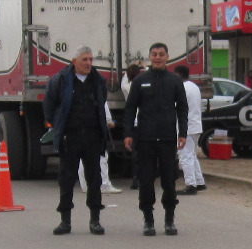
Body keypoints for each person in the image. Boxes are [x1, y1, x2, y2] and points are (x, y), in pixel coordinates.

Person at [123, 43, 188, 236]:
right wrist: (128, 133)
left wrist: (182, 133)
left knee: (169, 181)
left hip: (168, 139)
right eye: (154, 54)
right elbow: (130, 109)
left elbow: (182, 108)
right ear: (149, 57)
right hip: (145, 139)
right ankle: (148, 220)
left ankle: (169, 220)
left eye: (161, 54)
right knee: (146, 181)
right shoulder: (140, 80)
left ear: (168, 57)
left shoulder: (174, 81)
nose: (158, 57)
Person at [43, 46, 110, 235]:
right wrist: (57, 125)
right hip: (69, 137)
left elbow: (102, 101)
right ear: (74, 61)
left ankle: (95, 220)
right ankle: (65, 221)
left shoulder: (98, 80)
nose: (89, 63)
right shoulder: (61, 80)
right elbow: (49, 104)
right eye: (84, 59)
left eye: (90, 59)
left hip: (92, 136)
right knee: (66, 179)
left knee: (94, 178)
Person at [173, 65, 206, 195]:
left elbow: (175, 106)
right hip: (196, 125)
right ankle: (199, 182)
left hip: (186, 126)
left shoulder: (181, 88)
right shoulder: (194, 87)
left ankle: (191, 185)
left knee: (185, 156)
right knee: (192, 155)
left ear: (178, 75)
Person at [78, 101, 118, 194]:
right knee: (102, 156)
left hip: (80, 126)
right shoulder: (97, 89)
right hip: (94, 128)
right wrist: (109, 121)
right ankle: (104, 184)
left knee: (82, 156)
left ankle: (84, 185)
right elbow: (103, 106)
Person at [121, 60, 145, 192]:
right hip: (145, 121)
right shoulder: (142, 84)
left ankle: (136, 178)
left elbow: (124, 79)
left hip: (134, 122)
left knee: (135, 153)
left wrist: (129, 67)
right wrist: (146, 68)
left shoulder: (126, 86)